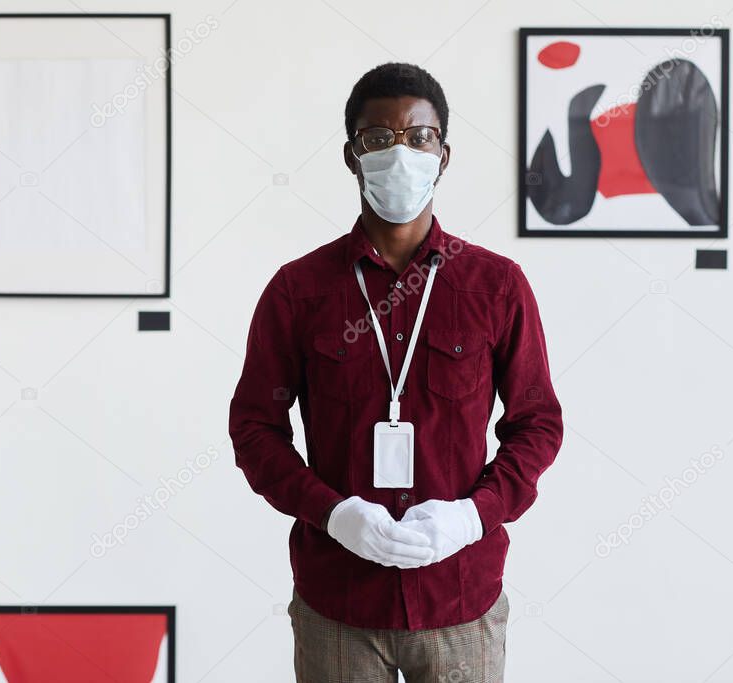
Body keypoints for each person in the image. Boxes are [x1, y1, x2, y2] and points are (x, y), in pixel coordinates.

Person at [229, 62, 563, 682]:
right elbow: (254, 428)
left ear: (444, 154)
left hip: (462, 601)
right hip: (338, 605)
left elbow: (538, 423)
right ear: (352, 156)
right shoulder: (298, 290)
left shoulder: (496, 286)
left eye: (419, 137)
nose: (401, 152)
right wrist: (331, 514)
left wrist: (473, 514)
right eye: (378, 139)